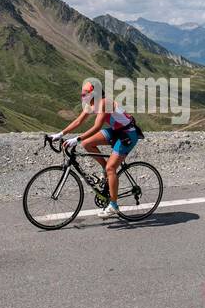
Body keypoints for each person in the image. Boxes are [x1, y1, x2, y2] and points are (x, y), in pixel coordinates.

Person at [52, 80, 141, 218]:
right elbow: (78, 121)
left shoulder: (104, 103)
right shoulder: (92, 104)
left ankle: (113, 205)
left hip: (128, 134)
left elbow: (97, 127)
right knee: (87, 144)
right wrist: (60, 134)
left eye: (85, 93)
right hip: (116, 130)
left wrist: (76, 139)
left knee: (111, 168)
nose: (82, 95)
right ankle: (106, 172)